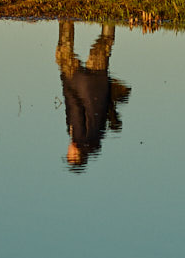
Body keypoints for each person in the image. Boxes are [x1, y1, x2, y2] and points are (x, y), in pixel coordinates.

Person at [56, 19, 131, 170]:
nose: (68, 151)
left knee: (104, 44)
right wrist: (66, 81)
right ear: (76, 155)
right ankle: (66, 18)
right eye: (70, 155)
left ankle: (110, 18)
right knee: (63, 54)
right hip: (79, 83)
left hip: (99, 84)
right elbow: (75, 107)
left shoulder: (97, 138)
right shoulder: (78, 137)